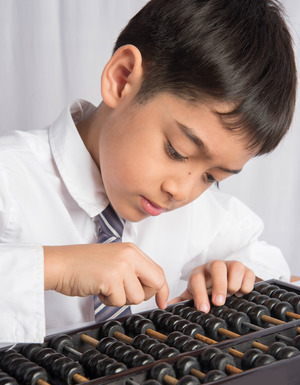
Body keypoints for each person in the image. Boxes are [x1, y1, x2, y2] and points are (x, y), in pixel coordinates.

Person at [0, 0, 296, 344]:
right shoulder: (9, 179)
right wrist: (53, 267)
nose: (182, 191)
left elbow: (265, 258)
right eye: (177, 151)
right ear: (122, 79)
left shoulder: (192, 212)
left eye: (211, 177)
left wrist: (236, 275)